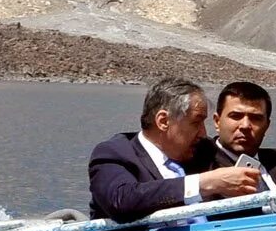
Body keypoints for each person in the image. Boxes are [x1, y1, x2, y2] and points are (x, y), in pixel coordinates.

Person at [88, 77, 263, 222]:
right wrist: (204, 183)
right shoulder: (114, 153)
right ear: (163, 121)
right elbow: (121, 202)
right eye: (196, 122)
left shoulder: (204, 151)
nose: (203, 132)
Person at [200, 80, 276, 185]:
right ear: (217, 121)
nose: (245, 125)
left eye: (256, 118)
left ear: (267, 126)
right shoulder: (198, 165)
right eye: (236, 116)